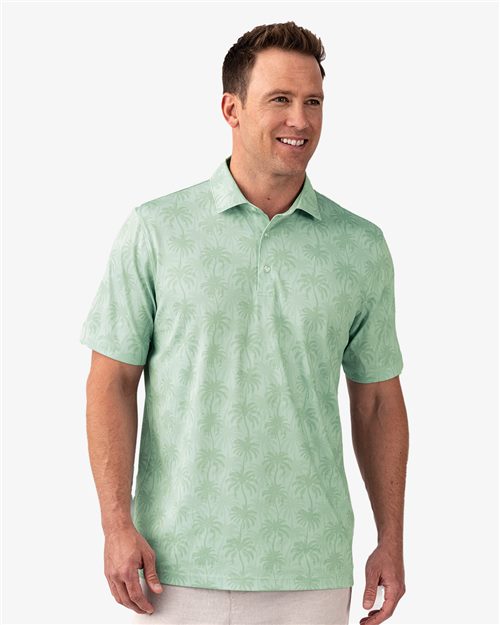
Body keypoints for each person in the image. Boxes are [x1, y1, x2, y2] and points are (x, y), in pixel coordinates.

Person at [80, 20, 408, 625]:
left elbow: (378, 401)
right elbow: (112, 381)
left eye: (313, 102)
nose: (300, 120)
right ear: (231, 109)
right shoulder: (157, 230)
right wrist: (115, 524)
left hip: (312, 567)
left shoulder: (360, 246)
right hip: (173, 567)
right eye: (280, 99)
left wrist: (391, 538)